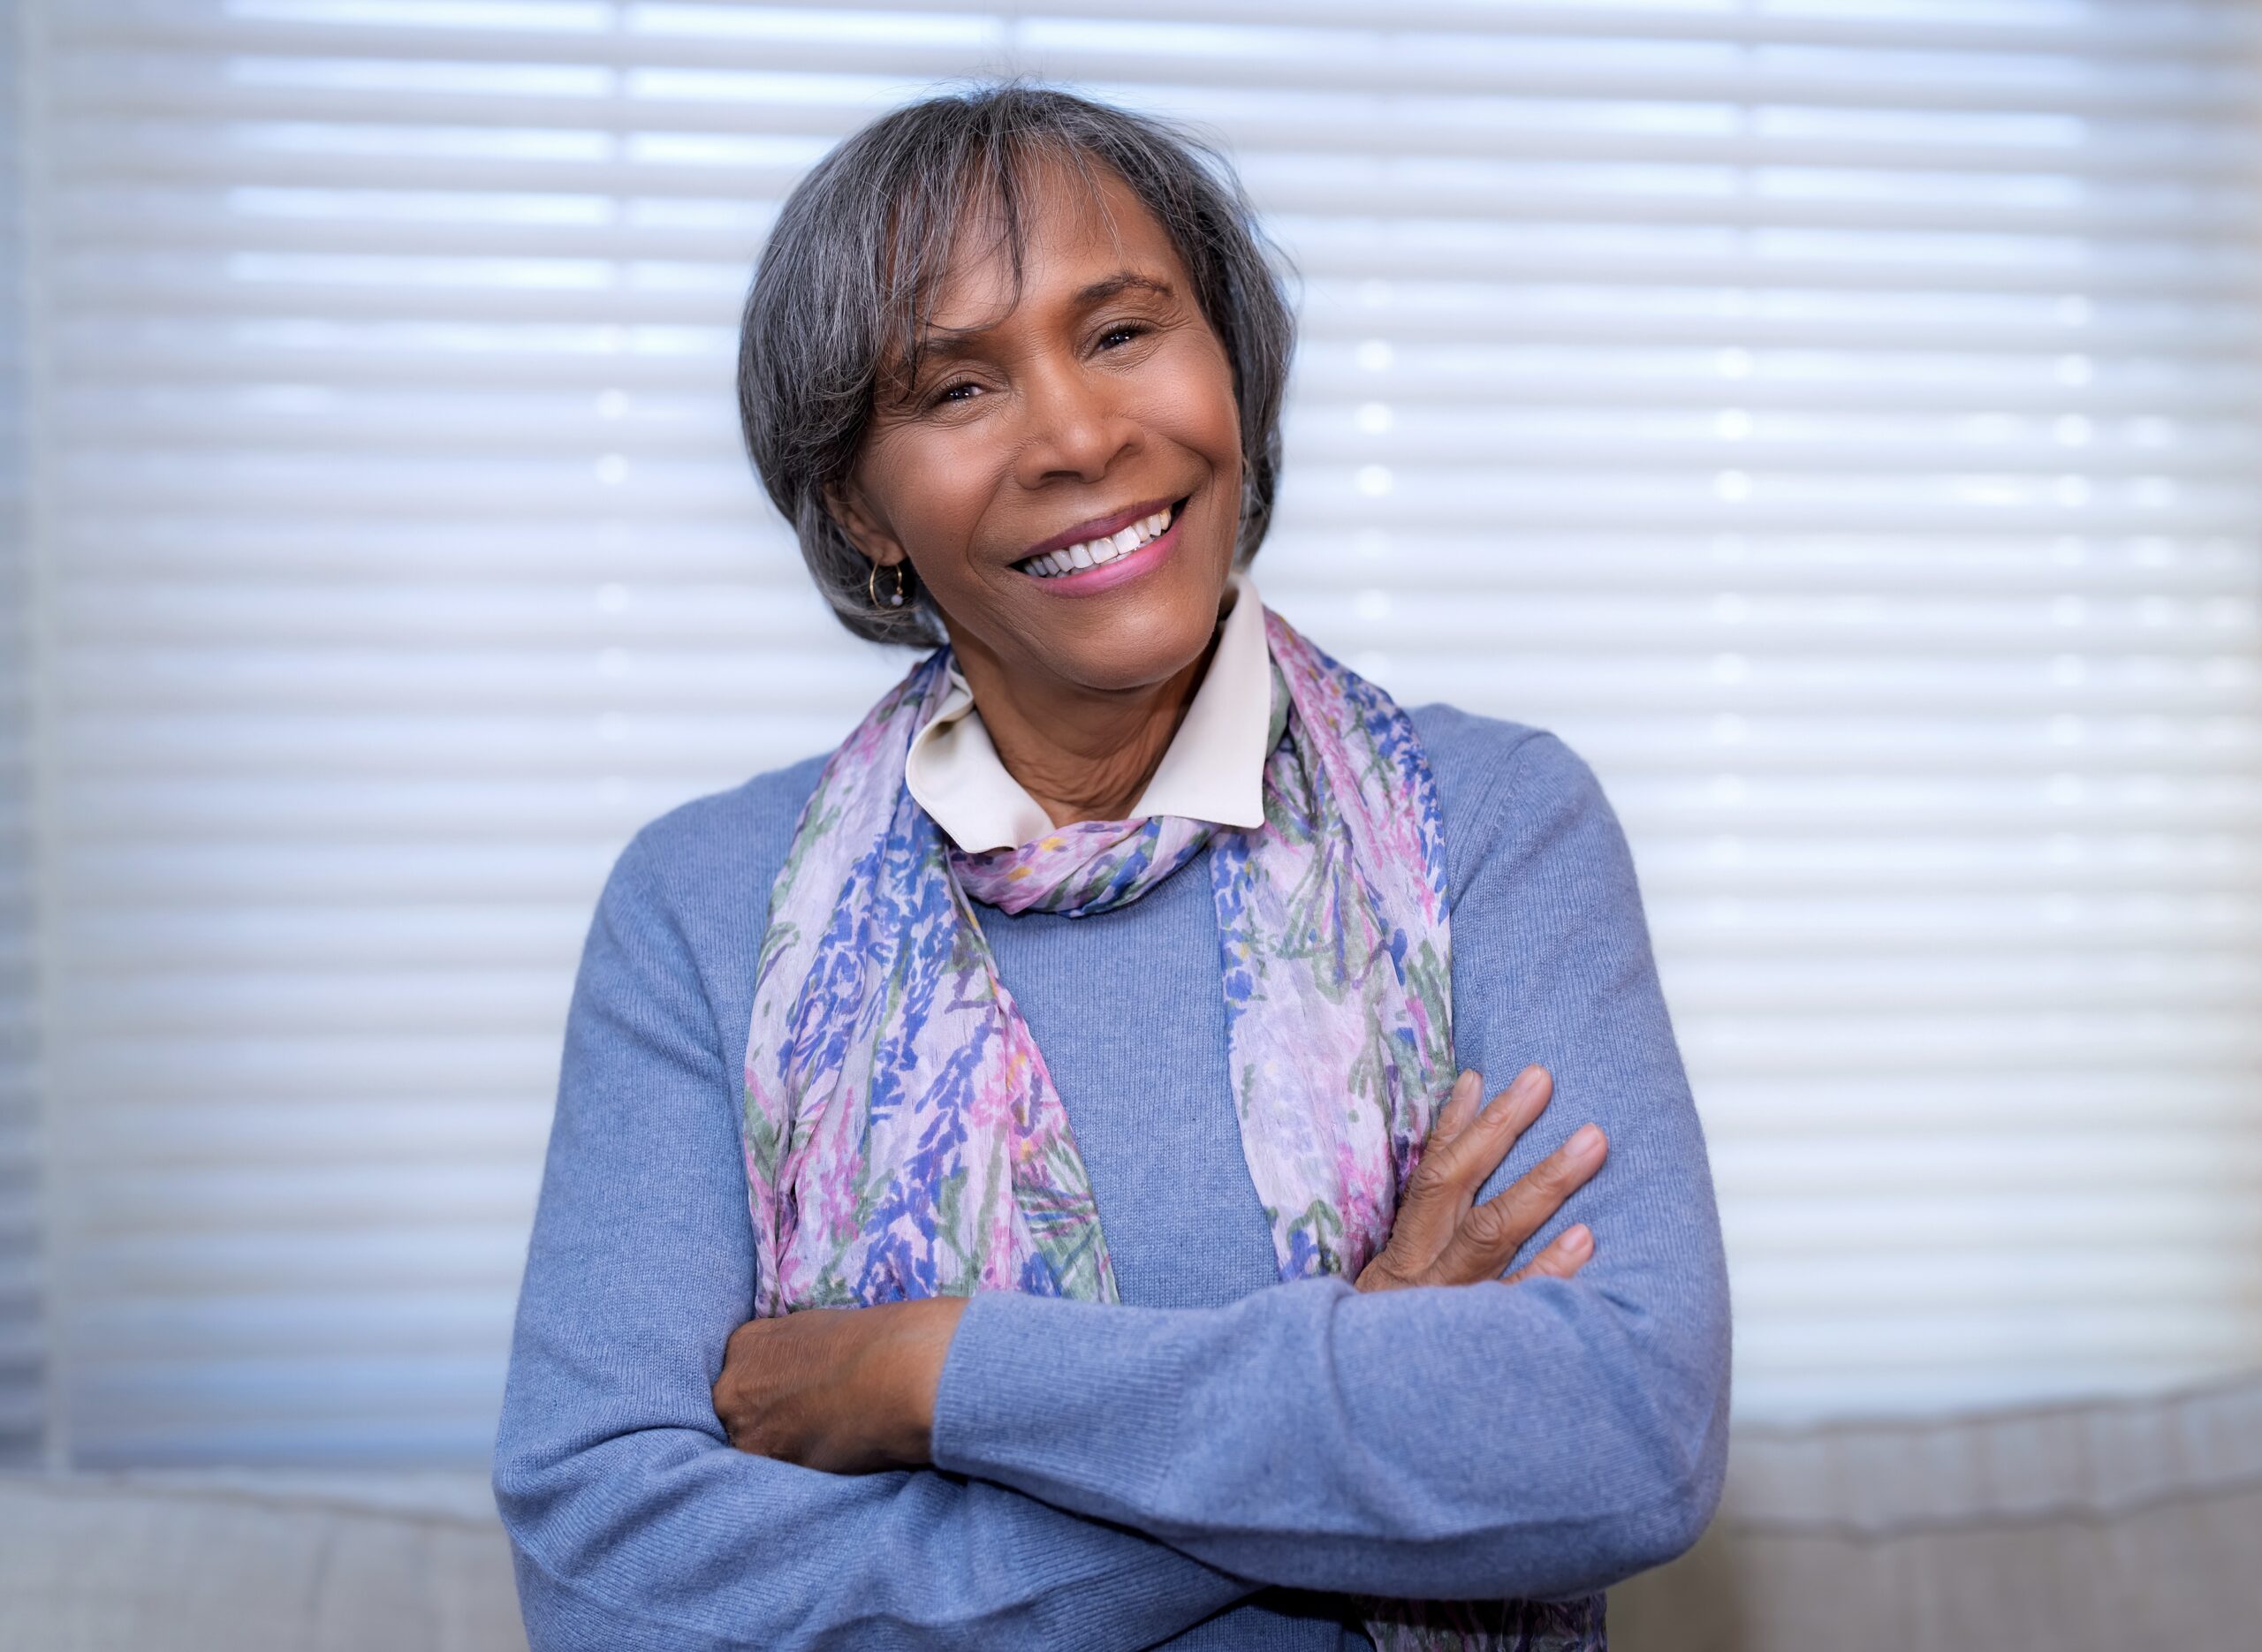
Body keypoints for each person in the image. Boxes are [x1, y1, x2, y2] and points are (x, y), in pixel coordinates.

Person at [494, 81, 1731, 1651]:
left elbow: (1626, 1432)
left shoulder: (1491, 824)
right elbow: (614, 1589)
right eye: (955, 388)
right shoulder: (699, 905)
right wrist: (1364, 1381)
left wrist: (933, 1375)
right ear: (856, 504)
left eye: (1125, 331)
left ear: (1233, 364)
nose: (1079, 436)